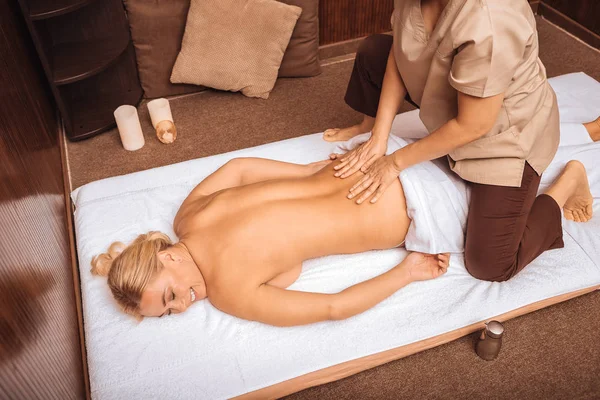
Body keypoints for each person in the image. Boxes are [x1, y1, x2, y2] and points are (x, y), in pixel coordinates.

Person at [92, 139, 593, 325]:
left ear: (168, 258)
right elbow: (242, 168)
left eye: (172, 295)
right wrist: (311, 173)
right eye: (171, 310)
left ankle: (566, 180)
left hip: (420, 207)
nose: (185, 305)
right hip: (378, 154)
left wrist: (406, 273)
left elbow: (332, 307)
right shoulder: (188, 217)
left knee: (497, 263)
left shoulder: (227, 291)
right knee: (482, 157)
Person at [323, 0, 599, 282]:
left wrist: (394, 162)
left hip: (503, 135)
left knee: (490, 264)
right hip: (449, 95)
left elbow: (474, 124)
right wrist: (378, 136)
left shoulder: (492, 17)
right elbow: (401, 50)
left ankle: (569, 181)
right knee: (374, 51)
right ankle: (364, 124)